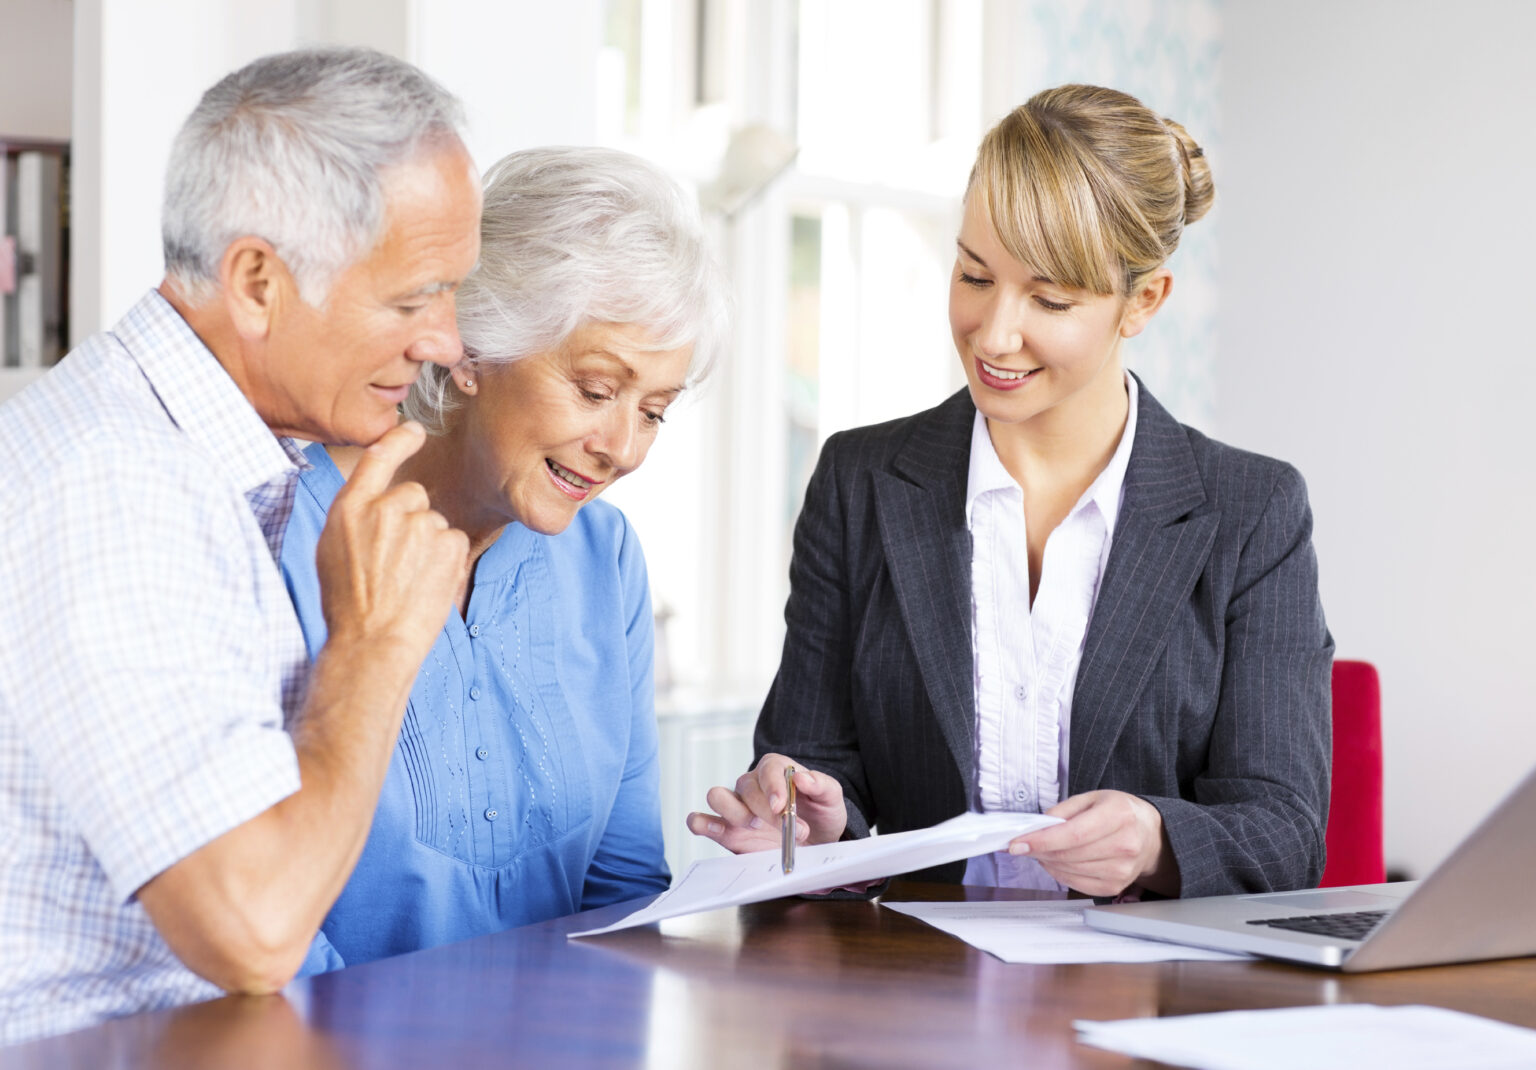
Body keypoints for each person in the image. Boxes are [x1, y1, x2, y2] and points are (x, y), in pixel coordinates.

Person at [688, 84, 1333, 900]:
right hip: (916, 989)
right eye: (973, 274)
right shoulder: (861, 484)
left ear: (1144, 301)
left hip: (1144, 1001)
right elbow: (816, 766)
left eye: (1051, 299)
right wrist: (811, 824)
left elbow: (1284, 830)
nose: (994, 334)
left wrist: (1154, 842)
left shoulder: (1251, 511)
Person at [0, 49, 480, 1043]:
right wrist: (376, 647)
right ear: (256, 280)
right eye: (410, 299)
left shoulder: (190, 463)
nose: (444, 340)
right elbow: (253, 927)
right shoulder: (118, 485)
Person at [279, 146, 729, 967]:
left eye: (655, 411)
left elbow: (623, 888)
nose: (623, 448)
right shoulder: (278, 536)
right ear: (474, 351)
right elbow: (260, 923)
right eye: (596, 390)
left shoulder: (606, 558)